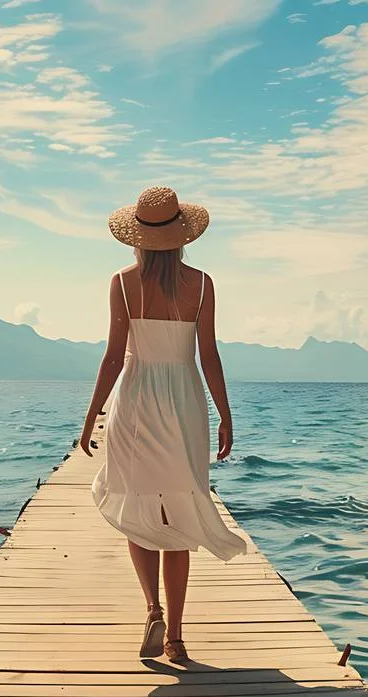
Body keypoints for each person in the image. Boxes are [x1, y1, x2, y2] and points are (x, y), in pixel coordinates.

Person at [80, 185, 248, 664]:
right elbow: (209, 356)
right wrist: (224, 413)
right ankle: (175, 637)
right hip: (184, 403)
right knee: (178, 514)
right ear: (181, 237)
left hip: (134, 401)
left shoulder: (122, 282)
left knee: (138, 507)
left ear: (137, 237)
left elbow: (114, 357)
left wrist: (92, 413)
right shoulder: (201, 284)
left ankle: (151, 608)